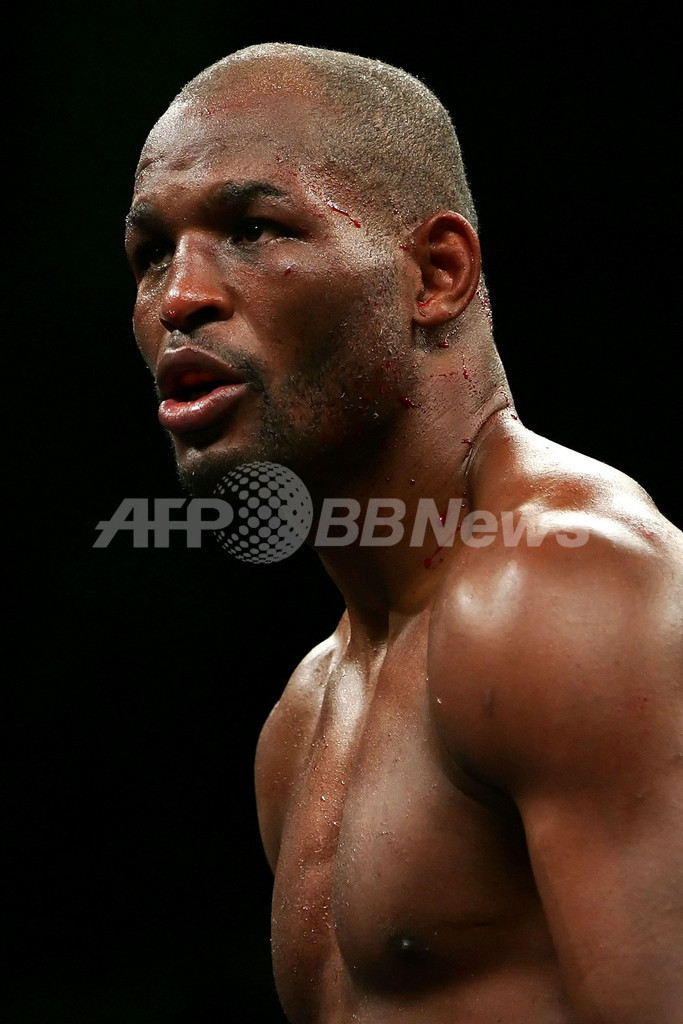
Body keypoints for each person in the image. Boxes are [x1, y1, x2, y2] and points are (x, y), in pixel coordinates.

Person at [125, 42, 682, 1024]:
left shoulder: (575, 593)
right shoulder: (304, 719)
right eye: (152, 253)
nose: (179, 299)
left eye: (253, 229)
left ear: (435, 273)